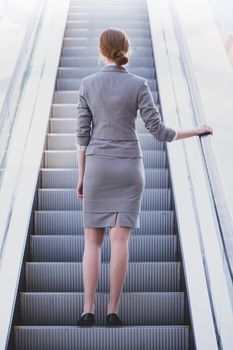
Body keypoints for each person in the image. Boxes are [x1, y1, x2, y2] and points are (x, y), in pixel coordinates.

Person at [75, 28, 213, 327]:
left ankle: (88, 309)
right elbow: (160, 132)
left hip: (98, 167)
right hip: (129, 169)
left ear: (101, 50)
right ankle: (113, 309)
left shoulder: (87, 84)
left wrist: (81, 175)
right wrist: (196, 130)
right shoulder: (138, 84)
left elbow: (82, 137)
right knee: (120, 239)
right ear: (127, 49)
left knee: (92, 243)